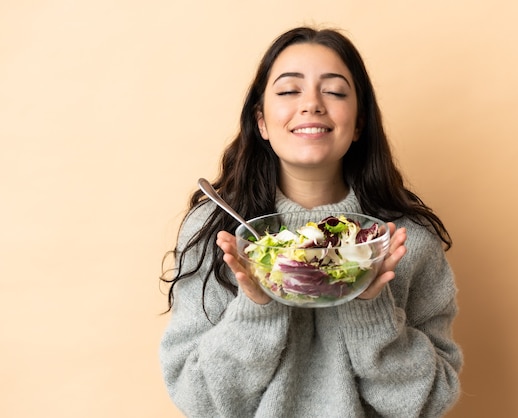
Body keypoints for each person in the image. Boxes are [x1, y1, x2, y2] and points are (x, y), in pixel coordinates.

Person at [160, 26, 462, 418]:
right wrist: (258, 307)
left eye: (334, 91)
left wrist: (369, 304)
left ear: (359, 124)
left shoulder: (405, 242)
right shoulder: (218, 232)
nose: (312, 104)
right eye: (288, 91)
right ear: (262, 121)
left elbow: (430, 400)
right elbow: (196, 398)